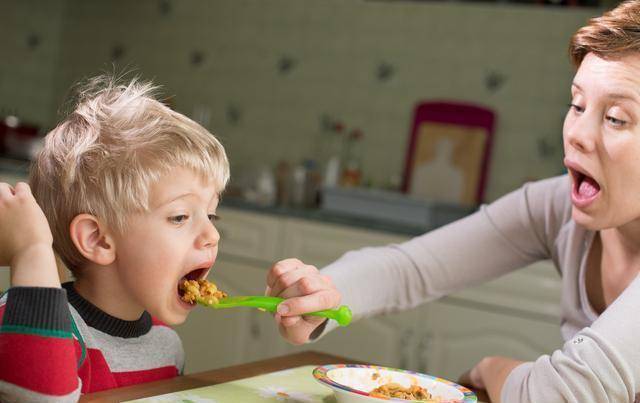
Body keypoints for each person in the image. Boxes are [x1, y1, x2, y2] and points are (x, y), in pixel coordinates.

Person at [265, 1, 640, 402]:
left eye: (616, 117)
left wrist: (491, 369)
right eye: (577, 104)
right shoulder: (555, 209)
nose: (577, 134)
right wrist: (323, 295)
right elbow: (412, 268)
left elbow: (558, 396)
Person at [0, 75, 229, 401]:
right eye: (179, 217)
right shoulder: (27, 320)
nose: (212, 235)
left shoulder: (166, 347)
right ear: (98, 240)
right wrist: (30, 250)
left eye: (211, 215)